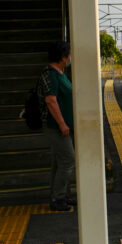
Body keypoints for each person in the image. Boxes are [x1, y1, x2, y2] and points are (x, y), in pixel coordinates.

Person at [40, 41, 75, 212]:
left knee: (59, 162)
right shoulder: (50, 74)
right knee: (68, 159)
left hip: (62, 126)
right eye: (69, 54)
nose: (70, 57)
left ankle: (61, 195)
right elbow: (50, 100)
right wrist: (62, 123)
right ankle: (58, 198)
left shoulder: (60, 73)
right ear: (63, 57)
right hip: (55, 126)